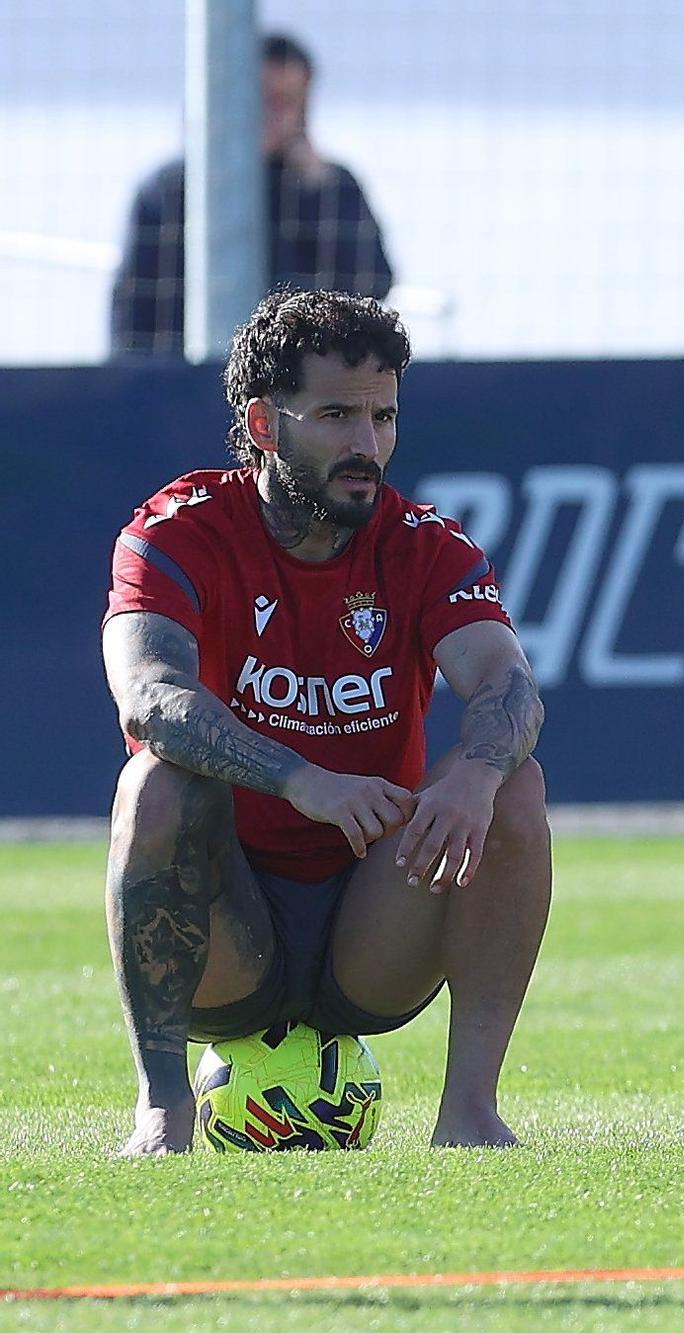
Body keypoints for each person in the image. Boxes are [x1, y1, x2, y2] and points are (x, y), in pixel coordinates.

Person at [102, 288, 549, 1155]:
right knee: (153, 782)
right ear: (265, 424)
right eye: (337, 415)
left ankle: (470, 1115)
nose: (366, 445)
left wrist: (475, 772)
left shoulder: (426, 544)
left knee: (516, 784)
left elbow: (509, 684)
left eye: (383, 416)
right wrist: (302, 780)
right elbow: (149, 698)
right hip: (225, 928)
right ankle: (162, 1110)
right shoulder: (176, 532)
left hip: (373, 929)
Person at [109, 33, 394, 358]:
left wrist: (318, 190)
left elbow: (373, 285)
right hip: (186, 375)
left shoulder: (330, 184)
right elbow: (133, 312)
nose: (273, 114)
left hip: (297, 381)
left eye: (287, 102)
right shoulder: (169, 189)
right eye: (261, 99)